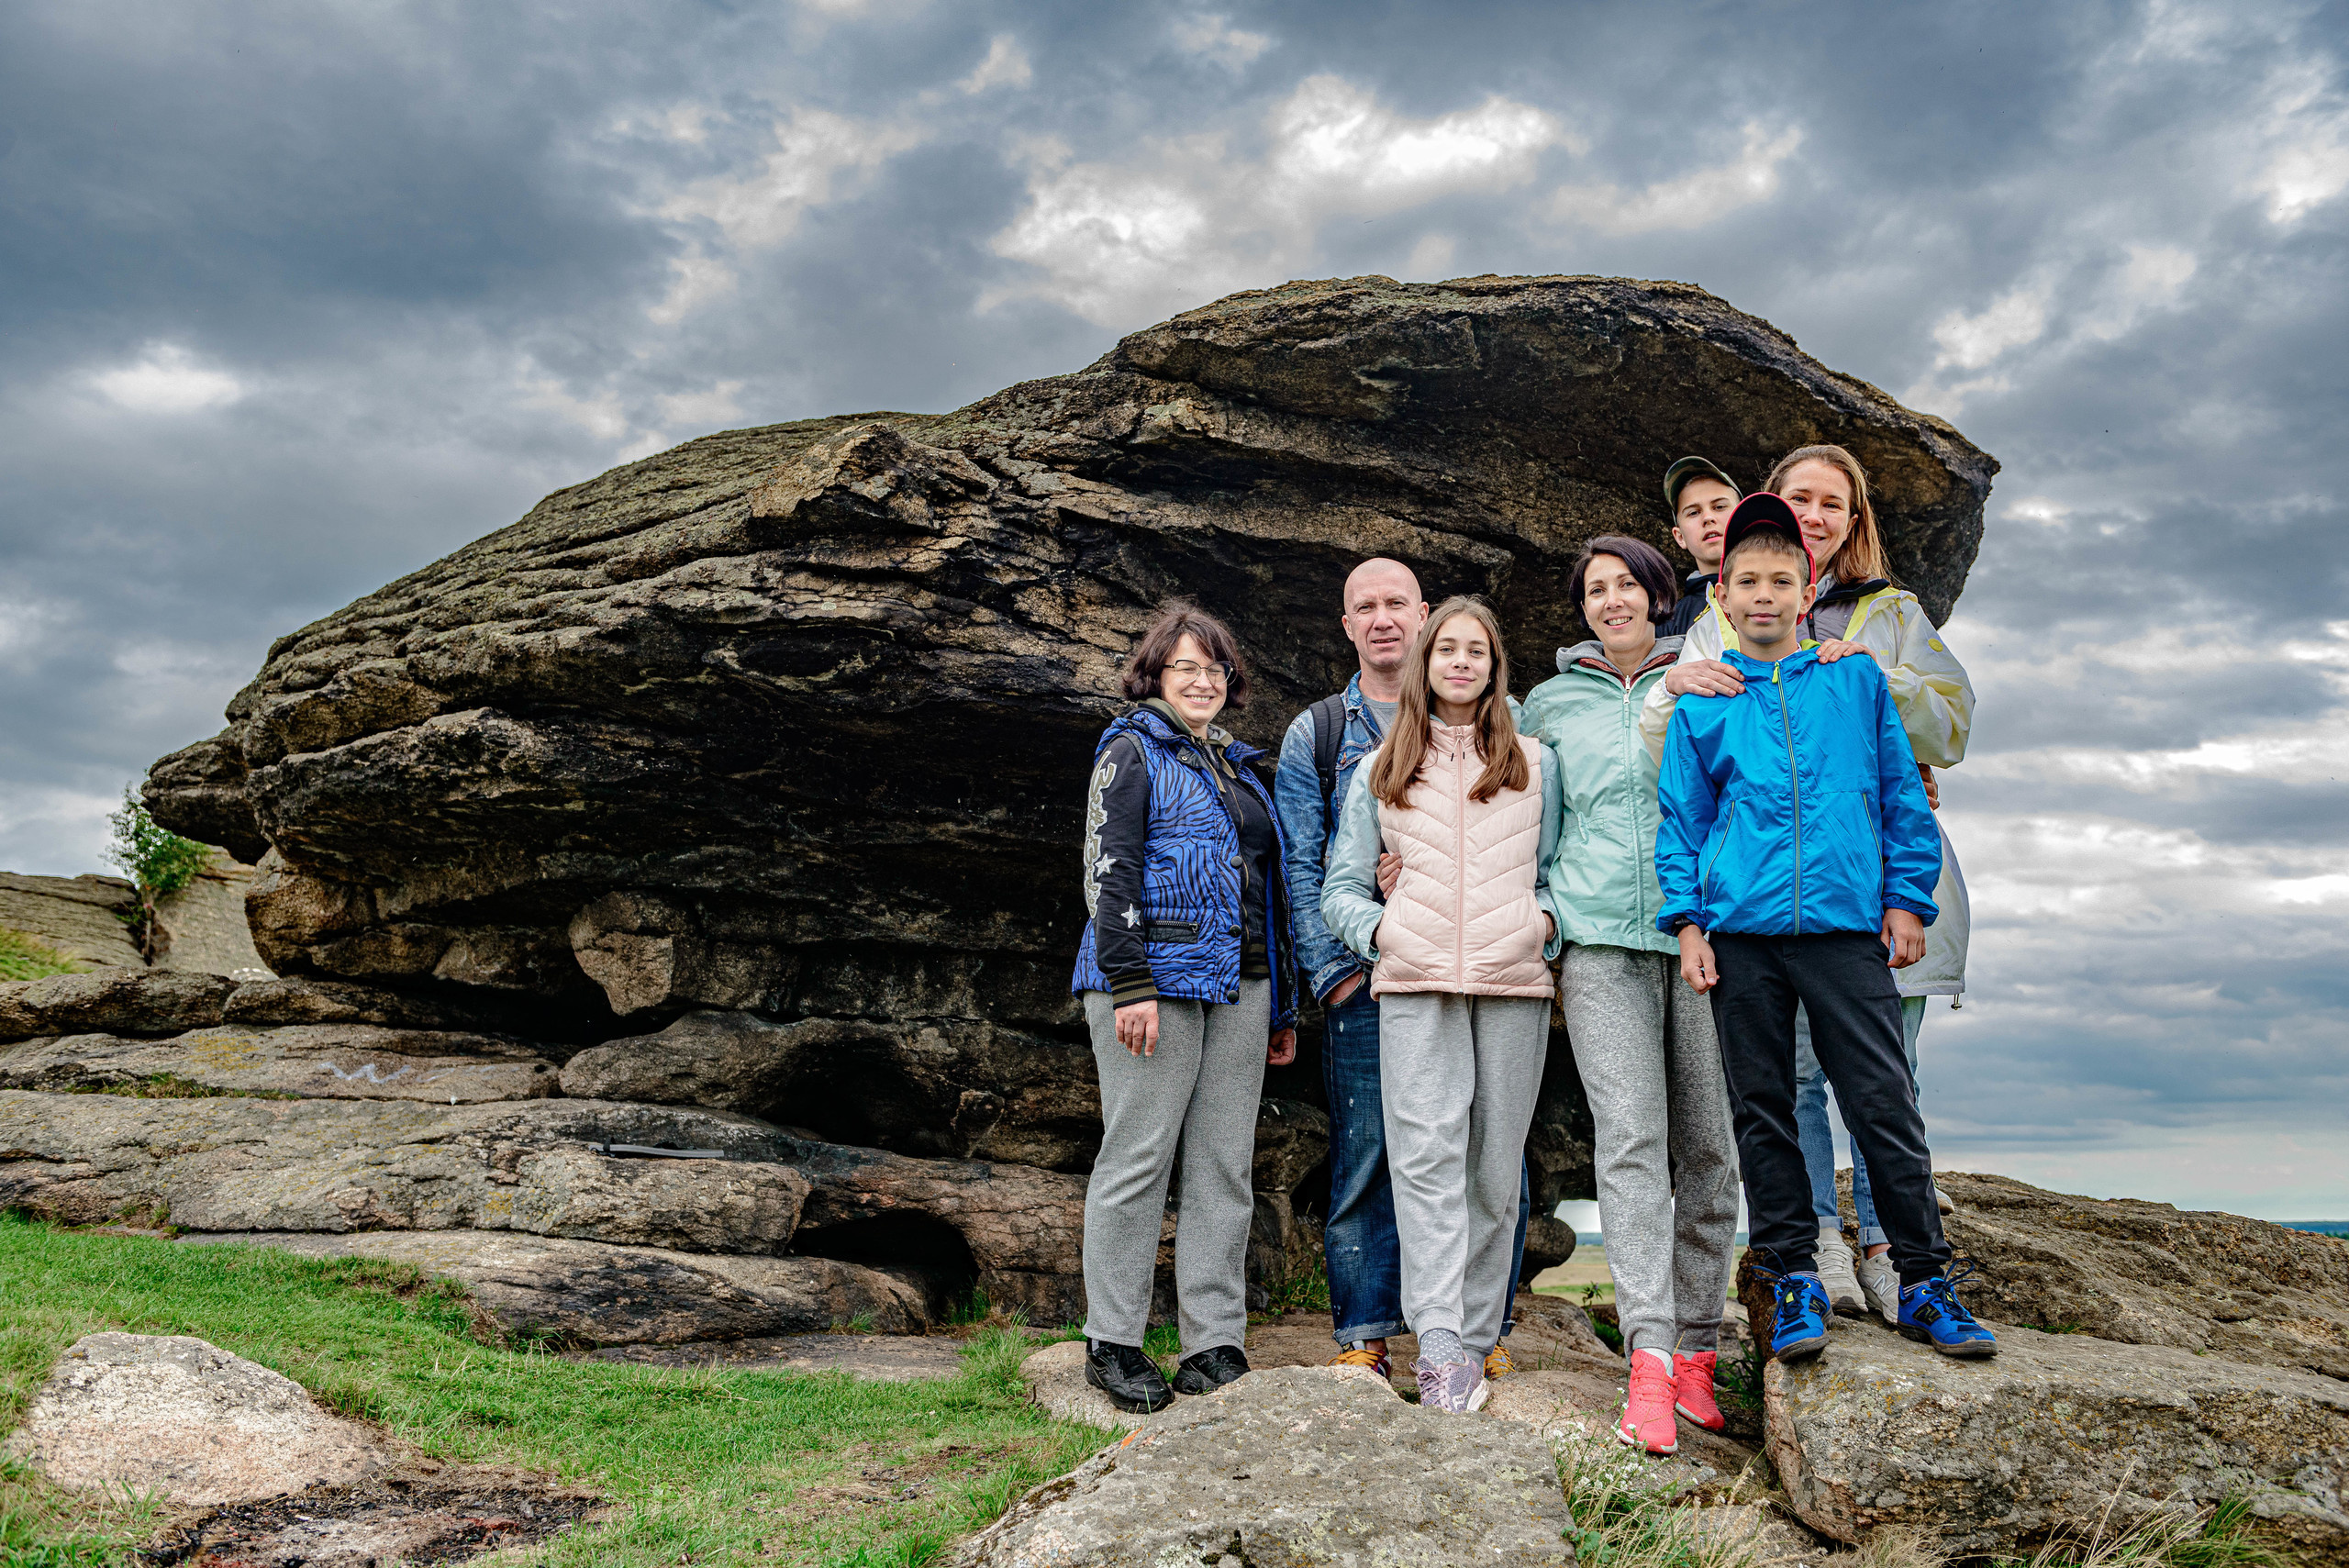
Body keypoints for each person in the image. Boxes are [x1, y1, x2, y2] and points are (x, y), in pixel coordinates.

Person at [1655, 496, 1994, 1362]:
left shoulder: (1854, 680)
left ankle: (1924, 1280)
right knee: (1762, 1108)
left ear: (1807, 594)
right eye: (1745, 582)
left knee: (1883, 1103)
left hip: (1848, 928)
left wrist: (1907, 902)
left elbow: (1898, 796)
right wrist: (1690, 924)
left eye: (1780, 580)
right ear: (1721, 599)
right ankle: (1795, 1276)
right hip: (1743, 935)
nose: (1763, 595)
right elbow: (1683, 822)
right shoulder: (1706, 704)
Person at [1320, 597, 1569, 1413]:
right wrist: (1385, 935)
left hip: (1512, 984)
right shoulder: (1382, 765)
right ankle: (1437, 1347)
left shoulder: (1537, 761)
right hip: (1416, 984)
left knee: (1494, 1169)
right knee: (1423, 1163)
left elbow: (1557, 869)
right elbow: (1341, 887)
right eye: (1448, 649)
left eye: (1478, 651)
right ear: (1426, 663)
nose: (1461, 662)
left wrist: (1547, 926)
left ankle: (1472, 1335)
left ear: (1497, 667)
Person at [1520, 536, 1739, 1455]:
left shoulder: (1711, 673)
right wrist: (1539, 913)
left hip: (1708, 939)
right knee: (1632, 1140)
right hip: (1599, 939)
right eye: (1594, 589)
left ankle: (1698, 1348)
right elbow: (1524, 816)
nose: (1611, 600)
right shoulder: (1547, 701)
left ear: (1658, 595)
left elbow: (1747, 792)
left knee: (1710, 1141)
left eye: (1627, 585)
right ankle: (1648, 1354)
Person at [1069, 602, 1300, 1412]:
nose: (1204, 681)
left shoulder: (1237, 765)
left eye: (1216, 669)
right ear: (1156, 675)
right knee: (1138, 1158)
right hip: (1151, 986)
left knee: (1223, 1168)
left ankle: (1213, 1343)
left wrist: (1280, 1007)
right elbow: (1108, 869)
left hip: (1243, 986)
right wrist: (1129, 982)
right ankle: (1114, 1341)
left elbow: (1265, 892)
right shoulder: (1130, 750)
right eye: (1187, 668)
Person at [1272, 559, 1426, 1384]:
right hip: (1362, 974)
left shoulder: (1473, 713)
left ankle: (1476, 1326)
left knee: (1473, 1152)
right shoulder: (1319, 731)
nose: (1382, 619)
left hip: (1456, 973)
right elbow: (1299, 864)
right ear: (1346, 626)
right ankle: (1364, 1333)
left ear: (1423, 611)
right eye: (1364, 607)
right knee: (1365, 1153)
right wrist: (1333, 973)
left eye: (1395, 602)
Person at [1658, 457, 1740, 639]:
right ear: (1680, 537)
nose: (1708, 517)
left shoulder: (1787, 591)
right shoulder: (1669, 621)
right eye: (1694, 512)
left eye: (1719, 506)